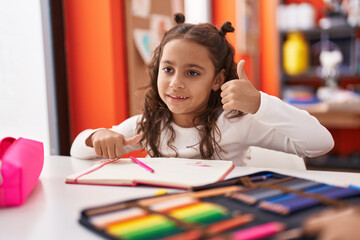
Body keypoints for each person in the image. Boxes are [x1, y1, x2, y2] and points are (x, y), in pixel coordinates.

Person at [70, 13, 334, 166]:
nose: (176, 83)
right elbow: (77, 152)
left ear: (217, 80)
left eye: (193, 73)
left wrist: (259, 104)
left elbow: (320, 143)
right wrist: (97, 137)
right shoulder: (150, 125)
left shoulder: (235, 123)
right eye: (168, 69)